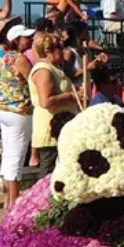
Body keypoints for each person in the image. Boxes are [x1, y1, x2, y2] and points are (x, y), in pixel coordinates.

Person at [0, 24, 35, 209]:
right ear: (17, 40)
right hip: (19, 110)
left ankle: (7, 199)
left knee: (8, 154)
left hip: (3, 109)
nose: (30, 40)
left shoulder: (2, 58)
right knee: (16, 156)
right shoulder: (20, 59)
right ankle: (14, 202)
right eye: (26, 37)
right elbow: (33, 83)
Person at [29, 33, 82, 174]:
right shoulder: (44, 71)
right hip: (51, 129)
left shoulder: (55, 68)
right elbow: (46, 101)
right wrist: (71, 96)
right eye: (59, 47)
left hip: (61, 127)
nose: (63, 50)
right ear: (48, 50)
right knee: (49, 173)